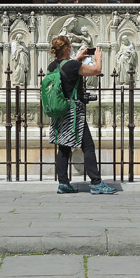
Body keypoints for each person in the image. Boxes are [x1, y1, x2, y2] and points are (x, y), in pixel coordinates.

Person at [47, 35, 116, 195]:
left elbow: (66, 69)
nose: (71, 48)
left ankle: (63, 183)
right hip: (73, 113)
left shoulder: (52, 66)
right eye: (69, 46)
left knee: (64, 147)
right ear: (66, 49)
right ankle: (96, 183)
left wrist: (78, 58)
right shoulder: (73, 66)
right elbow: (96, 71)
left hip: (60, 111)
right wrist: (98, 58)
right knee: (88, 146)